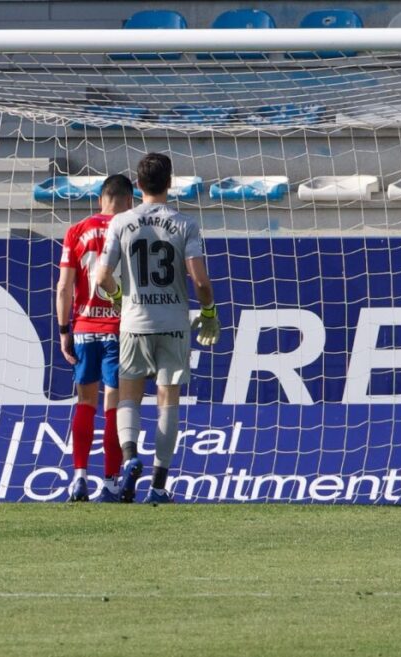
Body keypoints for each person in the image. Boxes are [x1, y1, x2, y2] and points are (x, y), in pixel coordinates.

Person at [94, 153, 220, 504]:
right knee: (168, 403)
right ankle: (159, 486)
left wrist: (120, 297)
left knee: (128, 398)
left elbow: (102, 276)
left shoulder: (120, 222)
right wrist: (208, 312)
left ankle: (131, 455)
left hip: (134, 323)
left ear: (137, 185)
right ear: (169, 183)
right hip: (173, 324)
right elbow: (201, 282)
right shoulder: (185, 224)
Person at [56, 174, 134, 502]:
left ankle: (79, 477)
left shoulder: (76, 231)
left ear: (101, 197)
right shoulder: (131, 229)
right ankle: (112, 481)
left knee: (85, 401)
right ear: (128, 200)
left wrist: (64, 331)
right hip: (119, 329)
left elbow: (63, 287)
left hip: (85, 329)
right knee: (114, 404)